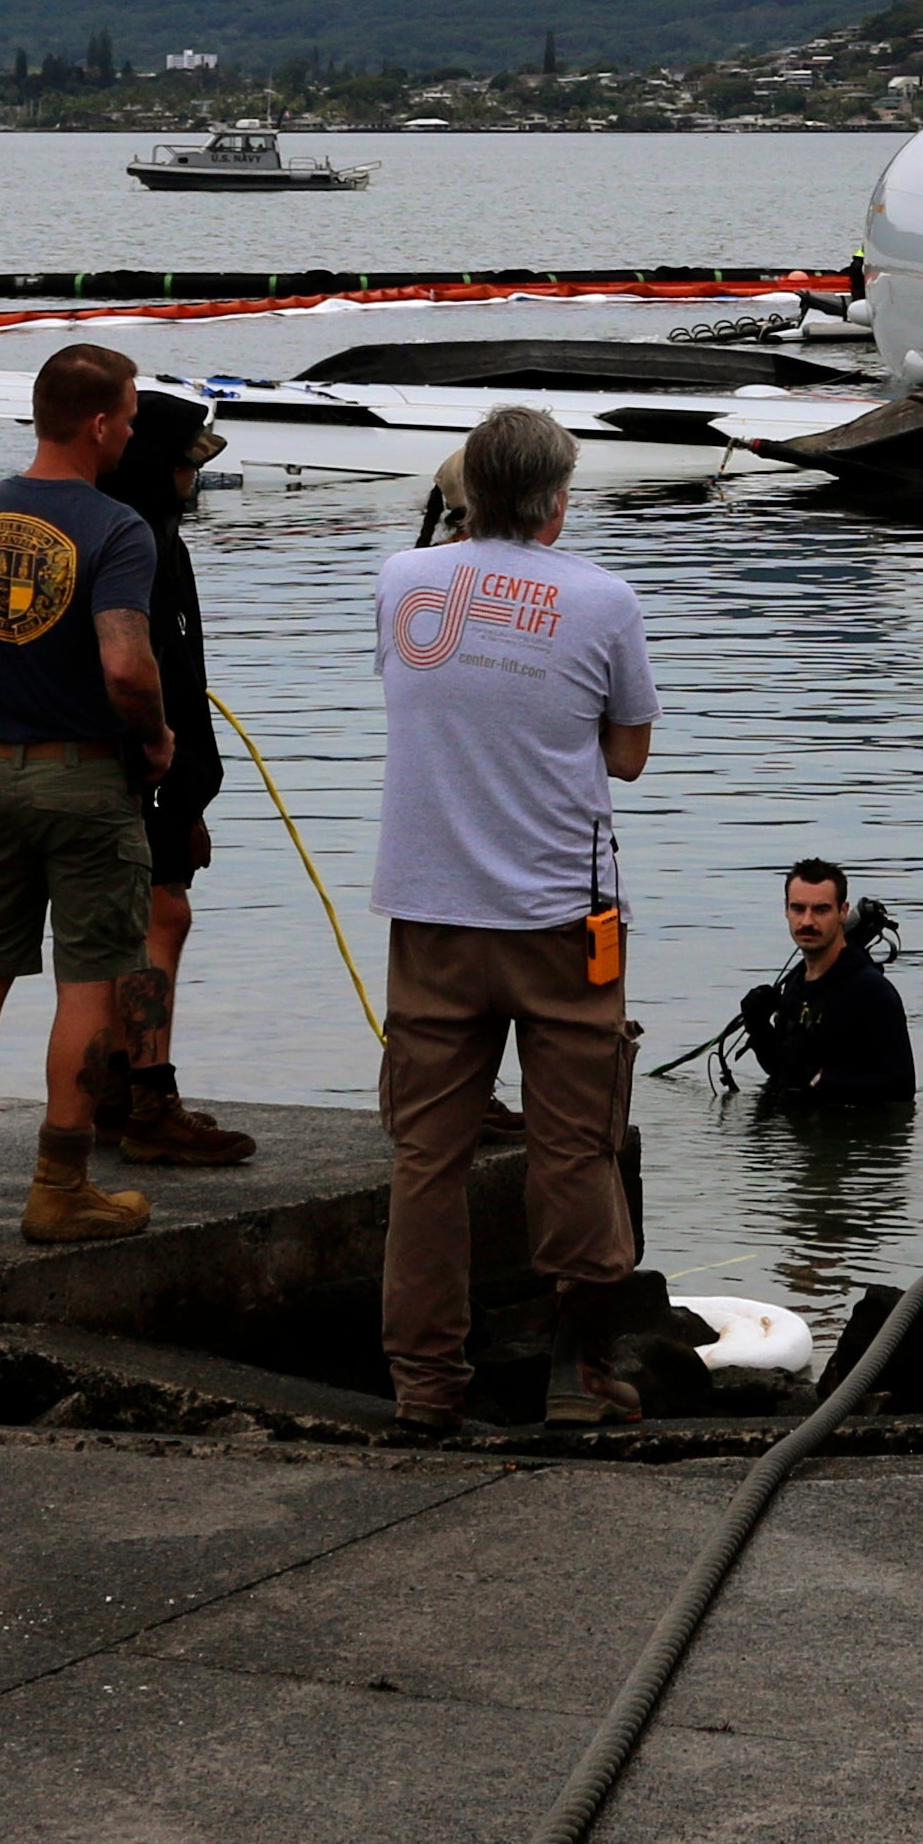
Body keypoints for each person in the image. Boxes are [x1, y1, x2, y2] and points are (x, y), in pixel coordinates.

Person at [370, 403, 657, 1435]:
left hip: (428, 911)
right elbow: (626, 756)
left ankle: (425, 1386)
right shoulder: (604, 601)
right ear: (557, 502)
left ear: (463, 493)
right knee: (573, 1148)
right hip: (560, 919)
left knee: (426, 1159)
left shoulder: (402, 582)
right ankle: (580, 1375)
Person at [0, 341, 180, 1247]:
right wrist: (159, 737)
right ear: (98, 424)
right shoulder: (117, 528)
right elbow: (127, 665)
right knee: (90, 979)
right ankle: (59, 1187)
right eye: (129, 418)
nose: (132, 433)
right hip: (86, 780)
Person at [99, 387, 255, 1168]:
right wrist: (172, 779)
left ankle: (110, 1081)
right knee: (162, 917)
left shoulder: (142, 535)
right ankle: (148, 1093)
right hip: (141, 765)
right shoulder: (140, 544)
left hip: (138, 770)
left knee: (119, 923)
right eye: (184, 467)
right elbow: (146, 673)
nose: (194, 482)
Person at [729, 858, 915, 1109]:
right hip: (795, 1137)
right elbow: (784, 1071)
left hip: (848, 1140)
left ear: (843, 911)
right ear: (785, 909)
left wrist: (818, 1079)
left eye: (821, 910)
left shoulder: (872, 991)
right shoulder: (795, 985)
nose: (807, 921)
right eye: (798, 908)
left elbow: (902, 1089)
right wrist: (759, 1028)